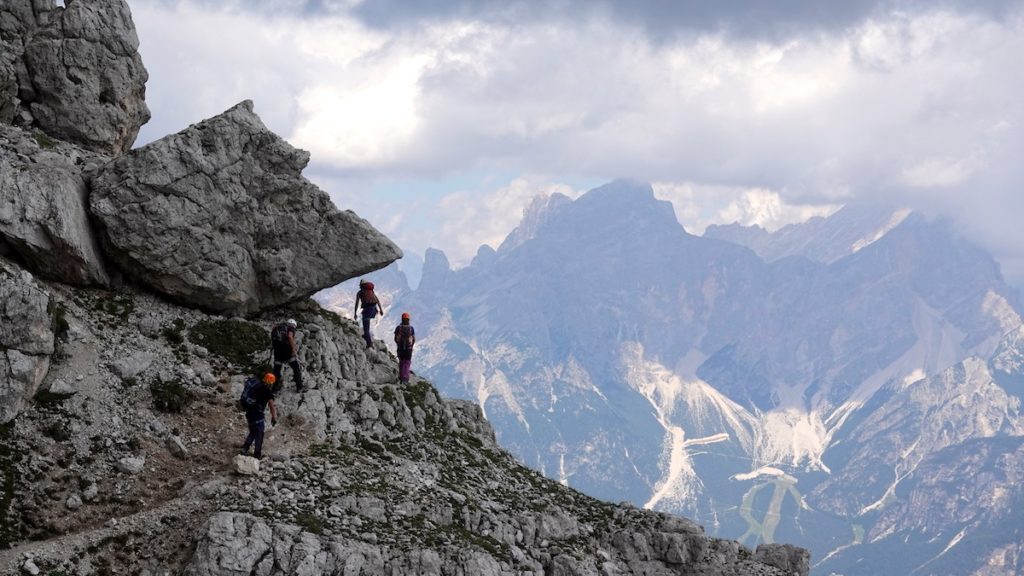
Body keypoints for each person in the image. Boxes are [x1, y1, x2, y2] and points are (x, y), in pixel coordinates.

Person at [240, 373, 278, 460]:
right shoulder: (266, 391)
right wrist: (274, 417)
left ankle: (245, 448)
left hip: (249, 413)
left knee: (253, 431)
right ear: (270, 383)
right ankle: (257, 454)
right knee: (259, 433)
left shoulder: (257, 385)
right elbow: (271, 404)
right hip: (258, 414)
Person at [270, 318, 304, 392]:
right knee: (296, 368)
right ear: (293, 324)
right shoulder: (290, 327)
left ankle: (274, 389)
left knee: (276, 370)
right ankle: (299, 387)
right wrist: (294, 349)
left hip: (277, 352)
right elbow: (289, 336)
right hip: (287, 351)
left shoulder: (277, 328)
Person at [354, 280, 383, 348]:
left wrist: (355, 313)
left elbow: (357, 303)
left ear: (361, 286)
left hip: (367, 310)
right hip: (374, 309)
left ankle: (369, 343)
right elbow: (377, 300)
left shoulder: (360, 292)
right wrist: (381, 309)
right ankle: (366, 335)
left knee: (365, 326)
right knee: (367, 321)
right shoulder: (371, 291)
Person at [394, 312, 416, 384]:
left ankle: (401, 377)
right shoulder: (411, 328)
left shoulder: (398, 328)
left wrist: (398, 344)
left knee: (401, 361)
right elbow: (414, 339)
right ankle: (405, 378)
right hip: (408, 349)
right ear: (408, 320)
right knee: (407, 362)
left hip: (400, 348)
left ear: (402, 319)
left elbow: (395, 338)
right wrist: (411, 346)